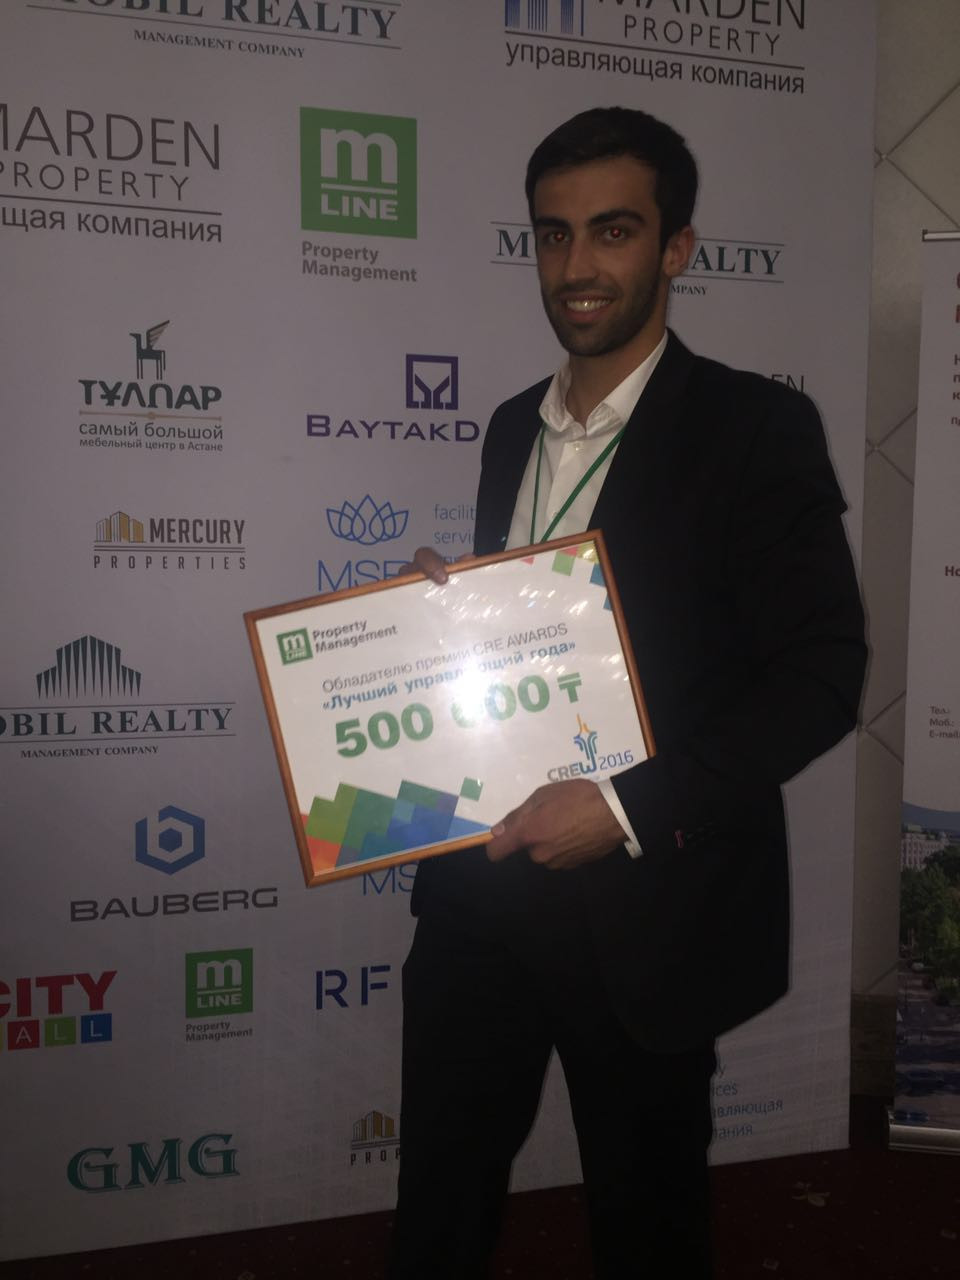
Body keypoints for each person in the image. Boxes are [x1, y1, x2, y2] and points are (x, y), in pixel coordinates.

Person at [388, 106, 867, 1279]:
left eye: (612, 230)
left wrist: (620, 808)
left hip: (651, 900)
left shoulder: (756, 426)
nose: (578, 266)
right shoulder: (513, 425)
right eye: (554, 235)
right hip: (480, 881)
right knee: (438, 1195)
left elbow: (820, 673)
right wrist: (451, 615)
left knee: (647, 1218)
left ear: (677, 246)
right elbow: (547, 646)